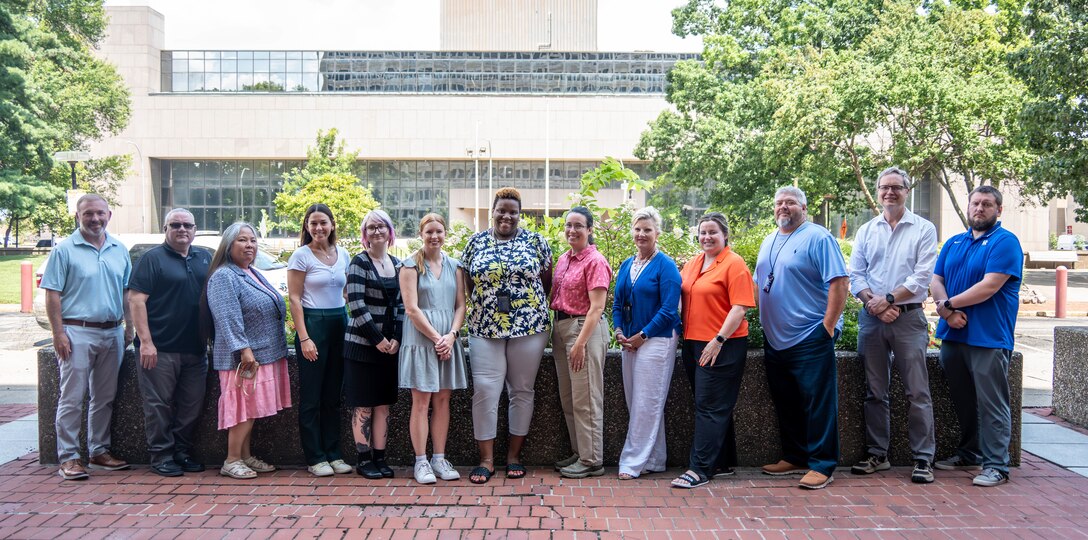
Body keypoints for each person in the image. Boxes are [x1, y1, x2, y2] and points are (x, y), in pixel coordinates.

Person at [754, 186, 849, 490]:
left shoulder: (818, 237)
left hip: (810, 335)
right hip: (776, 338)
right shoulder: (770, 239)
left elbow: (839, 281)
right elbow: (760, 284)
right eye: (779, 202)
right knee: (787, 401)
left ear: (804, 208)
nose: (784, 207)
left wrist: (828, 326)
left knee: (818, 403)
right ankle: (795, 455)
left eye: (791, 202)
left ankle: (823, 464)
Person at [848, 167, 938, 484]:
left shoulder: (924, 229)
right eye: (884, 187)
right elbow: (855, 275)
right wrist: (874, 303)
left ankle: (923, 459)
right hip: (872, 319)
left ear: (907, 190)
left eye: (896, 187)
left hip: (908, 318)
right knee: (874, 391)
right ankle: (877, 455)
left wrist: (887, 299)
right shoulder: (866, 230)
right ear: (877, 191)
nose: (890, 192)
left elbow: (921, 277)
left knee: (917, 391)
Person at [930, 186, 1022, 487]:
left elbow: (990, 285)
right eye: (975, 203)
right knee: (964, 401)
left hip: (988, 337)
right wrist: (947, 314)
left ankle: (997, 466)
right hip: (954, 336)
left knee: (992, 403)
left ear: (999, 210)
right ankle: (969, 453)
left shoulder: (1005, 242)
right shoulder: (955, 242)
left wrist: (950, 304)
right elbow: (936, 280)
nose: (979, 209)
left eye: (986, 204)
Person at [463, 187, 553, 484]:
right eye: (502, 210)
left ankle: (513, 456)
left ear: (520, 214)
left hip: (528, 327)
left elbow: (546, 280)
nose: (507, 216)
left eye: (513, 211)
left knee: (522, 390)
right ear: (493, 210)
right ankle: (486, 460)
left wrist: (526, 306)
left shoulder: (535, 241)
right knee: (485, 390)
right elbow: (467, 280)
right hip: (484, 327)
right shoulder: (475, 242)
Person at [42, 194, 134, 480]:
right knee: (72, 397)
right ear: (77, 217)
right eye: (88, 214)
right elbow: (52, 294)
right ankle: (68, 457)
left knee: (104, 397)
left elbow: (127, 291)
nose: (95, 219)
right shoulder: (64, 250)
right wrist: (59, 333)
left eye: (100, 213)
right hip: (76, 331)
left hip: (112, 331)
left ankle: (98, 451)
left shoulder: (119, 248)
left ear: (109, 215)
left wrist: (129, 327)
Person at [671, 213, 756, 489]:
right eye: (702, 232)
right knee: (710, 404)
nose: (706, 237)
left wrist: (718, 340)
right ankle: (722, 461)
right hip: (693, 343)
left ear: (725, 235)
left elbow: (740, 307)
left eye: (713, 232)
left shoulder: (734, 264)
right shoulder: (694, 262)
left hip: (722, 344)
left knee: (709, 406)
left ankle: (700, 469)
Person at [129, 208, 211, 477]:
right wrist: (146, 342)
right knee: (158, 405)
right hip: (159, 349)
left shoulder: (204, 257)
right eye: (175, 225)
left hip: (195, 349)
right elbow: (136, 300)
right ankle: (161, 456)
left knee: (192, 405)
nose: (182, 229)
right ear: (165, 229)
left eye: (187, 225)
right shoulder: (151, 259)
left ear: (195, 229)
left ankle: (181, 452)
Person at [205, 222, 291, 480]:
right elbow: (227, 317)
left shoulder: (250, 272)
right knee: (243, 408)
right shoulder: (224, 275)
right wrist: (245, 350)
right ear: (229, 245)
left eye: (252, 240)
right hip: (243, 358)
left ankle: (245, 456)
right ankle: (231, 459)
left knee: (250, 409)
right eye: (242, 240)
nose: (249, 245)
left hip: (264, 352)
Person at [399, 213, 468, 484]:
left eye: (439, 231)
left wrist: (451, 336)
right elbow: (411, 308)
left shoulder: (456, 266)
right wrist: (437, 338)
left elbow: (461, 305)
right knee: (421, 401)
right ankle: (421, 462)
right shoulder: (409, 266)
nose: (434, 236)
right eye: (429, 232)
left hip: (447, 340)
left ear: (445, 233)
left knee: (442, 400)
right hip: (421, 339)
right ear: (421, 234)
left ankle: (439, 458)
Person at [613, 207, 682, 480]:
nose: (641, 234)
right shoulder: (627, 264)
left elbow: (669, 310)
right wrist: (618, 330)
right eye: (638, 229)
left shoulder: (666, 265)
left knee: (646, 403)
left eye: (647, 230)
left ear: (657, 233)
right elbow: (617, 302)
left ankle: (632, 462)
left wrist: (643, 335)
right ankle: (654, 458)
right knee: (637, 401)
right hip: (629, 340)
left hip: (658, 339)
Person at [287, 204, 352, 477]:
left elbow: (347, 292)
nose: (318, 228)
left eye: (323, 222)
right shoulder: (301, 256)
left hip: (340, 322)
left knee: (333, 395)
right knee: (312, 396)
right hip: (313, 325)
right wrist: (304, 338)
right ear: (306, 227)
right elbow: (294, 297)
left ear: (332, 224)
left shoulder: (343, 254)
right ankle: (315, 457)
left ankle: (333, 453)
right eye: (312, 223)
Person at [550, 207, 612, 479]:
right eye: (568, 225)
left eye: (578, 225)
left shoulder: (595, 260)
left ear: (590, 230)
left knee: (586, 398)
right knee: (570, 398)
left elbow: (597, 307)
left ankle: (592, 459)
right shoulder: (565, 258)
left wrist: (580, 343)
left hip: (583, 329)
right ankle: (580, 451)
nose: (572, 230)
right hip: (562, 327)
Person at [343, 209, 403, 479]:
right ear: (364, 235)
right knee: (364, 404)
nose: (376, 231)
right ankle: (364, 458)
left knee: (383, 405)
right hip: (362, 346)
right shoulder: (359, 262)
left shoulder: (399, 264)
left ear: (390, 232)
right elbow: (356, 305)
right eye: (370, 228)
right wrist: (377, 339)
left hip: (390, 348)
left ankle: (380, 457)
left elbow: (402, 306)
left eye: (381, 226)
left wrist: (396, 339)